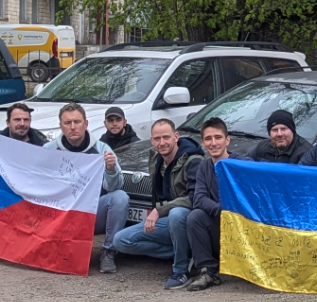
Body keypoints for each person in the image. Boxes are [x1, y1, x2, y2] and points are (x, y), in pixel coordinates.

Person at [110, 118, 205, 289]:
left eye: (166, 137)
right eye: (157, 139)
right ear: (152, 140)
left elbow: (194, 198)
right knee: (120, 241)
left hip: (187, 221)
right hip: (165, 222)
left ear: (176, 136)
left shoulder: (193, 160)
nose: (162, 143)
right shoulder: (155, 157)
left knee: (177, 213)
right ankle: (184, 253)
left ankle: (181, 271)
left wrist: (159, 210)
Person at [45, 102, 130, 274]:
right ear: (61, 126)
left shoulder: (102, 149)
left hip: (90, 214)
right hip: (60, 214)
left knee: (120, 197)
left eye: (77, 122)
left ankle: (108, 251)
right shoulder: (48, 151)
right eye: (67, 123)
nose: (73, 127)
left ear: (86, 123)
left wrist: (111, 169)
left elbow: (114, 187)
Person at [183, 119, 233, 291]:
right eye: (208, 139)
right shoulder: (204, 166)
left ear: (227, 140)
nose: (213, 143)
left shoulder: (242, 163)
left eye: (218, 137)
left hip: (242, 227)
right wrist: (222, 210)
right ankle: (208, 271)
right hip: (219, 223)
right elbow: (199, 198)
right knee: (195, 216)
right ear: (203, 143)